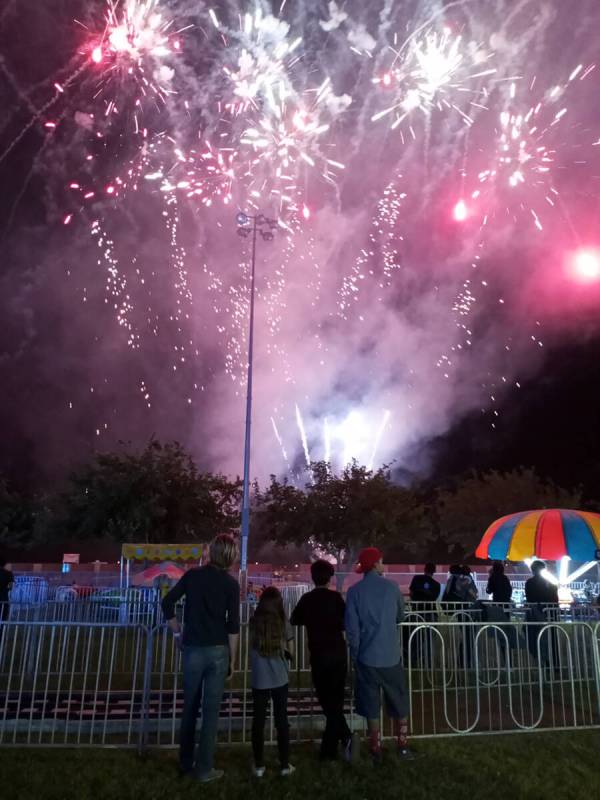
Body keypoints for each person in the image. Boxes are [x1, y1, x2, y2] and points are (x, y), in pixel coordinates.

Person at [162, 534, 240, 784]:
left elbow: (168, 603)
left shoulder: (193, 576)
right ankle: (205, 769)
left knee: (189, 709)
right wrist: (233, 659)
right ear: (230, 556)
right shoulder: (230, 584)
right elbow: (233, 626)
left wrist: (177, 633)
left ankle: (185, 762)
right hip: (218, 651)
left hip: (193, 649)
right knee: (210, 713)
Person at [345, 547, 417, 763]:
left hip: (366, 657)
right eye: (382, 561)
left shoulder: (354, 592)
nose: (384, 564)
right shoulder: (392, 588)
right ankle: (402, 745)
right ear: (375, 564)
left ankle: (375, 747)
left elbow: (352, 629)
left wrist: (356, 653)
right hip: (390, 656)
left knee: (370, 703)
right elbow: (400, 616)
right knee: (399, 699)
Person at [291, 559, 356, 761]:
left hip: (318, 655)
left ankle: (332, 748)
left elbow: (294, 619)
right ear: (330, 578)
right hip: (337, 654)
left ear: (312, 577)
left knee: (327, 702)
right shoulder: (336, 598)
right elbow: (346, 622)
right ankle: (342, 740)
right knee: (334, 702)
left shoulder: (307, 599)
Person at [249, 586, 295, 778]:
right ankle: (284, 764)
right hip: (279, 678)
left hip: (259, 678)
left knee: (258, 722)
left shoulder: (253, 622)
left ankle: (259, 765)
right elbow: (291, 650)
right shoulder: (283, 621)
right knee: (281, 720)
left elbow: (250, 647)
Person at [0, 557, 14, 623]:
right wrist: (5, 589)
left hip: (3, 597)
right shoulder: (9, 574)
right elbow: (10, 586)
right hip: (3, 598)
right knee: (2, 619)